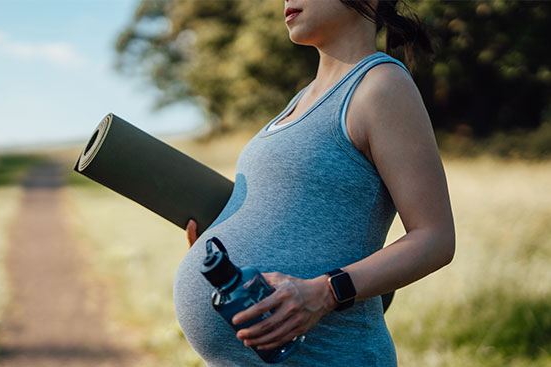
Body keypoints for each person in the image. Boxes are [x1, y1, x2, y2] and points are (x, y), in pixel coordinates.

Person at [173, 0, 455, 365]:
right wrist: (218, 245)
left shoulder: (382, 86)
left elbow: (435, 238)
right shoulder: (298, 101)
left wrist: (324, 292)